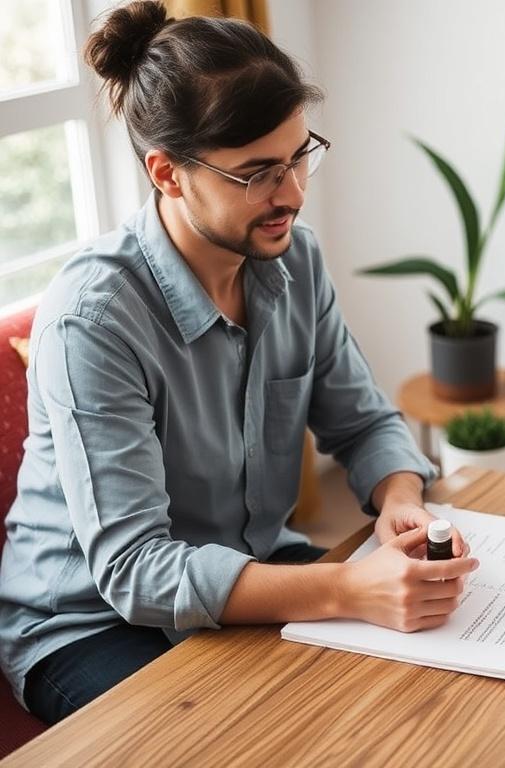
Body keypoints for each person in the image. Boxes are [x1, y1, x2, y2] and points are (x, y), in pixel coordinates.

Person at [0, 0, 478, 726]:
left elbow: (364, 421)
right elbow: (135, 571)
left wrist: (402, 505)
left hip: (245, 569)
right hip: (89, 624)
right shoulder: (91, 320)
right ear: (167, 173)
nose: (290, 194)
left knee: (412, 707)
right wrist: (349, 589)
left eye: (297, 157)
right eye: (257, 173)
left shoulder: (296, 259)